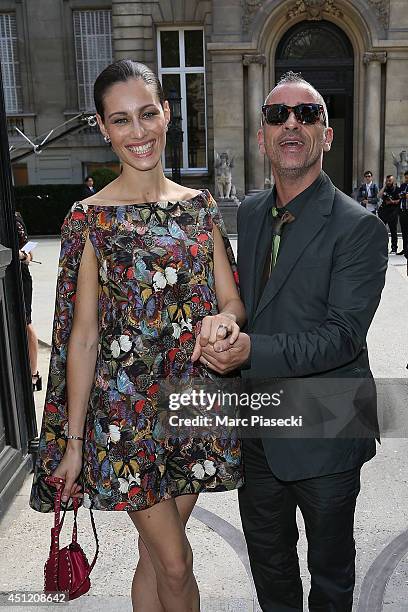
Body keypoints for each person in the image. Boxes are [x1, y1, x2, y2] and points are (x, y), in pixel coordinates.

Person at [29, 59, 245, 612]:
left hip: (194, 407)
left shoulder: (200, 208)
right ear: (102, 127)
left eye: (147, 114)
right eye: (120, 120)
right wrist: (73, 444)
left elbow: (232, 300)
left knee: (155, 558)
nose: (138, 132)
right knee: (176, 562)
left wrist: (225, 322)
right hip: (124, 421)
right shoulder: (89, 219)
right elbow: (81, 339)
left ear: (166, 113)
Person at [196, 71, 388, 611]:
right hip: (260, 426)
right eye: (278, 115)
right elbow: (249, 303)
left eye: (308, 114)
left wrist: (251, 349)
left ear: (327, 134)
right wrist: (227, 328)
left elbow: (342, 338)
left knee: (330, 574)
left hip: (327, 425)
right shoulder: (253, 212)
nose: (292, 125)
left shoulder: (358, 227)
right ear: (261, 136)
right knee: (270, 564)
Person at [15, 211, 42, 392]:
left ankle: (34, 374)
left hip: (20, 277)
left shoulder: (14, 217)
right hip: (7, 280)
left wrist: (21, 255)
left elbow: (29, 254)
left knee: (26, 322)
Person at [378, 174, 400, 254]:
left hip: (393, 212)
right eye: (387, 181)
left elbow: (400, 200)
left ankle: (394, 248)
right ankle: (382, 247)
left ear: (393, 181)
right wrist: (384, 187)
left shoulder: (397, 189)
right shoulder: (385, 189)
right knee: (381, 230)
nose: (388, 182)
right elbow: (379, 196)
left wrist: (392, 202)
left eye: (389, 181)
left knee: (393, 231)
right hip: (384, 212)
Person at [398, 170, 408, 256]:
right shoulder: (403, 185)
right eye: (406, 177)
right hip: (402, 211)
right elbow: (400, 195)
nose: (406, 179)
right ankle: (405, 249)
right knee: (404, 231)